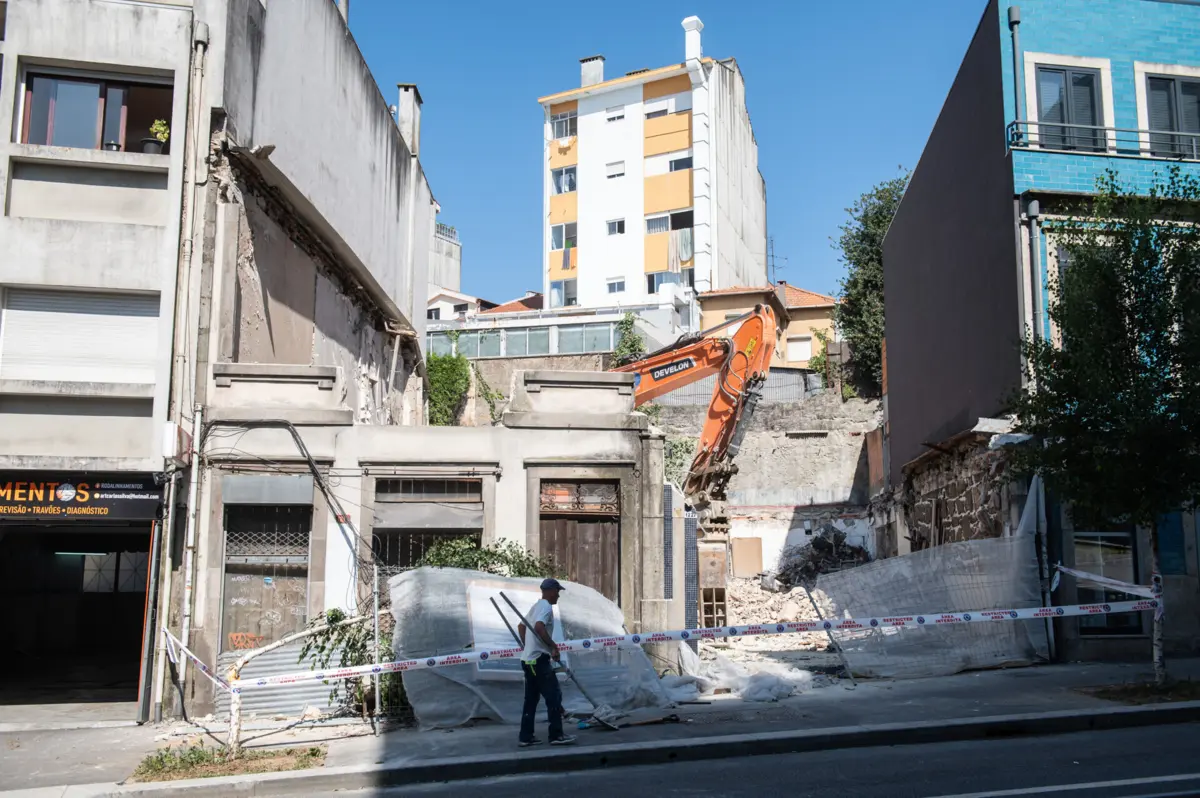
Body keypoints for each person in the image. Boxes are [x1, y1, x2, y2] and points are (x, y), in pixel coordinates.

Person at [516, 578, 576, 747]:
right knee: (553, 696)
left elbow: (521, 627)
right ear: (551, 591)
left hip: (528, 661)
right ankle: (556, 735)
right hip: (538, 661)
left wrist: (528, 647)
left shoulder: (536, 606)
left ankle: (525, 737)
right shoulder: (546, 607)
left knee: (531, 700)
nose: (558, 595)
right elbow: (539, 627)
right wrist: (553, 647)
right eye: (557, 591)